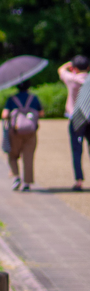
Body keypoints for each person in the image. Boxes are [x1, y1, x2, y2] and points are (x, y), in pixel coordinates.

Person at [1, 80, 44, 191]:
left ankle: (16, 176)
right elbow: (41, 113)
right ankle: (27, 183)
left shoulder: (11, 99)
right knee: (28, 157)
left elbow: (5, 114)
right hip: (31, 132)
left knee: (12, 155)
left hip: (15, 132)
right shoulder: (33, 98)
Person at [60, 56, 90, 190]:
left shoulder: (71, 79)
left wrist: (68, 66)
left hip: (76, 117)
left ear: (74, 68)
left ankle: (78, 180)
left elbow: (60, 70)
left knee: (77, 150)